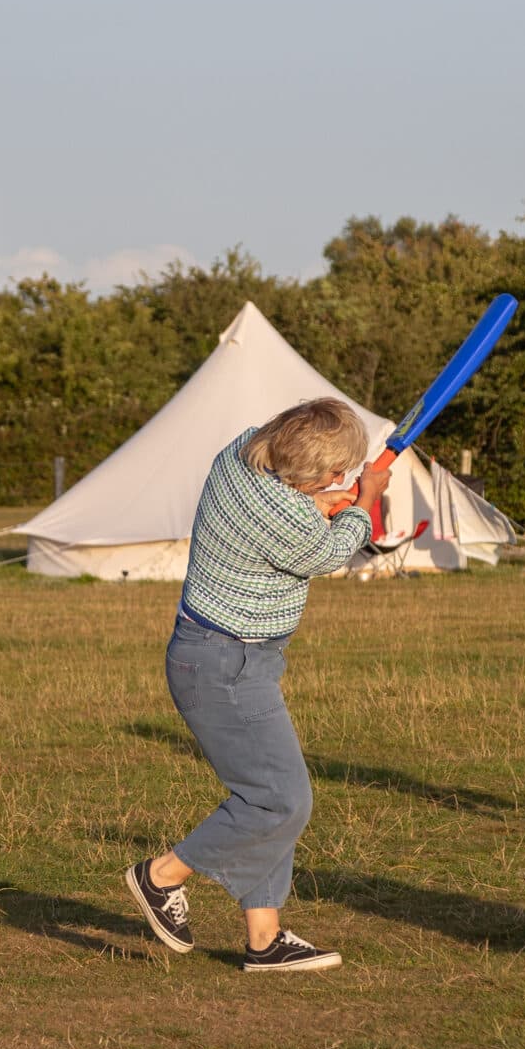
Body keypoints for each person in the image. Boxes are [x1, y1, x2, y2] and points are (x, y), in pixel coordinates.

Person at [124, 398, 384, 972]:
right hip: (224, 666)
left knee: (268, 792)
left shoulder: (240, 451)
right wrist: (365, 498)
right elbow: (332, 554)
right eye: (333, 474)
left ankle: (264, 941)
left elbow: (299, 502)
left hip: (234, 659)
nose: (340, 480)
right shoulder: (285, 518)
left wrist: (323, 495)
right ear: (309, 474)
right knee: (281, 800)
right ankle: (161, 876)